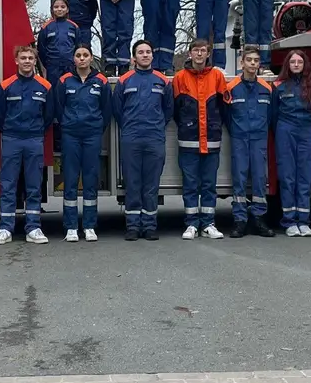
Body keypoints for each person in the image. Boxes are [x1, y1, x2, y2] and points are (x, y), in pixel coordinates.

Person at [113, 40, 172, 240]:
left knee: (151, 184)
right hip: (131, 137)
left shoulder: (163, 80)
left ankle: (149, 226)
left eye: (148, 52)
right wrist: (129, 126)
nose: (145, 55)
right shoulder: (124, 80)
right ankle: (132, 226)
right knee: (133, 183)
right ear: (134, 57)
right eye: (141, 52)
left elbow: (169, 109)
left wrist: (157, 125)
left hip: (154, 137)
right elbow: (117, 110)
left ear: (152, 56)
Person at [0, 45, 54, 244]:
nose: (27, 61)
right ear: (16, 61)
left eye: (30, 58)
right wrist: (10, 130)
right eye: (23, 58)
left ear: (35, 61)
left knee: (34, 185)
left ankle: (34, 228)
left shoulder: (44, 86)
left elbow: (48, 115)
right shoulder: (5, 86)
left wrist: (35, 131)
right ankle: (5, 228)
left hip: (34, 139)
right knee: (8, 184)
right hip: (11, 138)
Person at [172, 38, 230, 240]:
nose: (199, 54)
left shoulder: (217, 77)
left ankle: (208, 224)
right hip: (188, 141)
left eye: (202, 51)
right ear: (190, 54)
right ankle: (191, 225)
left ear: (208, 54)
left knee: (208, 184)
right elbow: (176, 110)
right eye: (195, 50)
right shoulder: (179, 78)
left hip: (212, 140)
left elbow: (224, 108)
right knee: (190, 184)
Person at [54, 45, 109, 242]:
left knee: (90, 179)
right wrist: (68, 125)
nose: (82, 58)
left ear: (91, 58)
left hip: (92, 135)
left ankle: (89, 225)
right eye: (78, 55)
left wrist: (96, 128)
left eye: (85, 55)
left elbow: (106, 110)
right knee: (70, 179)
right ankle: (70, 226)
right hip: (71, 135)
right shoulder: (64, 81)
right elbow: (59, 108)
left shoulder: (101, 81)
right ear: (74, 59)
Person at [224, 45, 276, 238]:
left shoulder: (266, 89)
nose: (252, 63)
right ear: (242, 62)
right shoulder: (231, 88)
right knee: (239, 180)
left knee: (259, 180)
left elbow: (271, 116)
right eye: (249, 60)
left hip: (258, 139)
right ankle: (240, 221)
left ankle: (259, 219)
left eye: (256, 60)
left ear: (259, 64)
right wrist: (237, 131)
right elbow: (226, 116)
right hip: (239, 138)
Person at [271, 49, 311, 237]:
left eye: (300, 62)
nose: (297, 65)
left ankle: (304, 221)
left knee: (305, 176)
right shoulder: (279, 86)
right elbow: (273, 115)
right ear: (288, 65)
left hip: (306, 130)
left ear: (305, 64)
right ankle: (289, 221)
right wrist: (282, 131)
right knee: (287, 176)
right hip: (285, 129)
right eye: (293, 62)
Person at [38, 0, 84, 83]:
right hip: (52, 67)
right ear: (52, 9)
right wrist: (48, 63)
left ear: (67, 10)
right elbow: (41, 49)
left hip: (70, 65)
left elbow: (78, 47)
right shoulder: (46, 27)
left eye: (63, 7)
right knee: (54, 91)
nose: (59, 9)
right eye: (56, 7)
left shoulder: (74, 26)